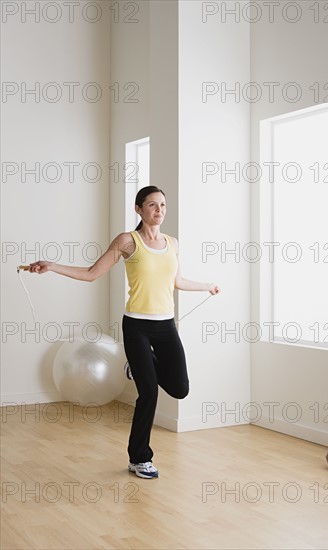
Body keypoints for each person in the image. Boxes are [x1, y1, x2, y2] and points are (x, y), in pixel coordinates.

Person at [29, 185, 221, 479]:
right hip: (137, 327)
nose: (159, 211)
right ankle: (140, 458)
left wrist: (206, 286)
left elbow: (177, 280)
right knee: (149, 393)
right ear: (139, 209)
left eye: (163, 206)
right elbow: (92, 273)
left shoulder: (172, 243)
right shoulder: (127, 241)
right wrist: (52, 266)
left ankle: (137, 365)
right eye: (153, 205)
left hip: (166, 326)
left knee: (180, 388)